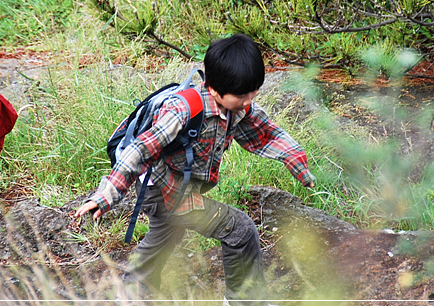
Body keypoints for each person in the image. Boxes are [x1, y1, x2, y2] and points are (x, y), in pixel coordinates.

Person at [75, 33, 316, 305]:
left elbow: (265, 132)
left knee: (164, 237)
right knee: (240, 230)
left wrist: (295, 159)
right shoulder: (183, 109)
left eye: (254, 91)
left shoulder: (238, 105)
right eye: (242, 95)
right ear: (213, 88)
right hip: (163, 189)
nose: (249, 100)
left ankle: (131, 295)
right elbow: (140, 150)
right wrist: (105, 196)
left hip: (179, 185)